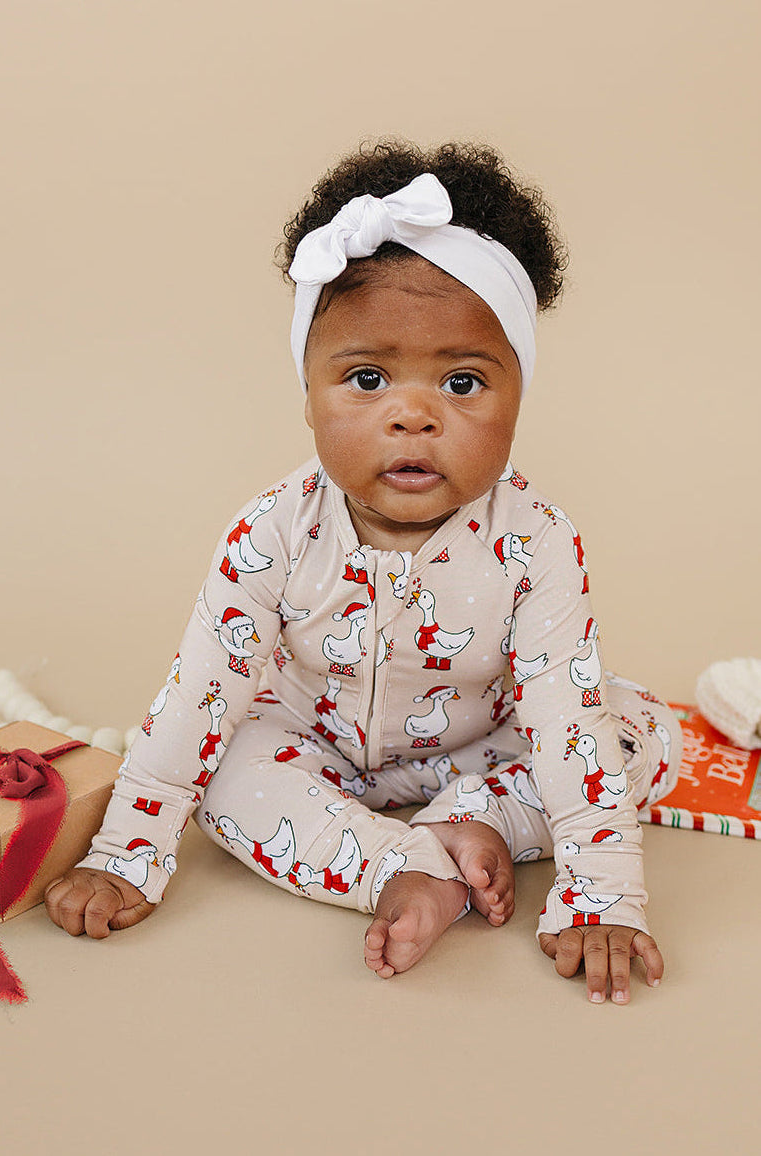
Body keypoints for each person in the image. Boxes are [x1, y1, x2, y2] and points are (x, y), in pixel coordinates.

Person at [45, 140, 682, 1004]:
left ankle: (478, 820)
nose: (413, 415)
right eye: (368, 378)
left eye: (463, 383)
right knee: (220, 766)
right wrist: (125, 853)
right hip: (313, 743)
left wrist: (602, 895)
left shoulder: (536, 541)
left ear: (519, 397)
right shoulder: (271, 531)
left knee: (638, 732)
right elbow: (199, 693)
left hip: (481, 746)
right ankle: (403, 866)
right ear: (307, 396)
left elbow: (562, 717)